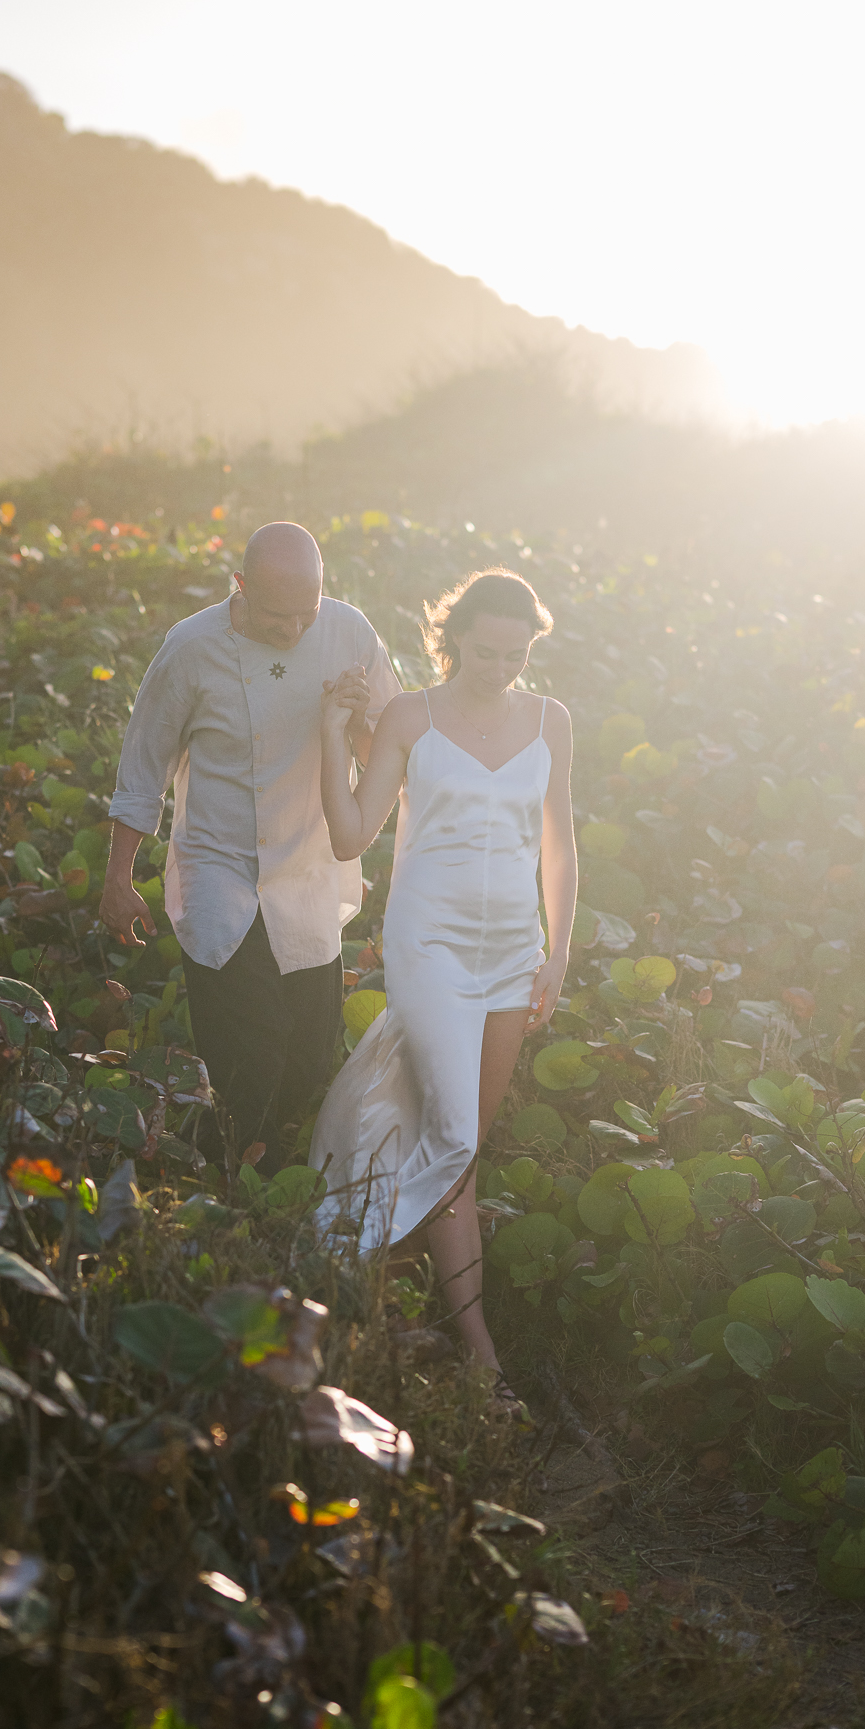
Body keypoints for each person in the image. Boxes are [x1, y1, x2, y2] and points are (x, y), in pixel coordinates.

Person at [309, 567, 576, 1412]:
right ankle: (476, 1353)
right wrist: (328, 733)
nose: (502, 666)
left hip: (513, 954)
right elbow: (352, 835)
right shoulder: (411, 716)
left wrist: (558, 953)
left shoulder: (550, 721)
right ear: (454, 637)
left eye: (519, 653)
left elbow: (559, 847)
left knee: (461, 1153)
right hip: (428, 945)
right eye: (488, 650)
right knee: (455, 1138)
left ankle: (401, 1317)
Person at [102, 521, 400, 1171]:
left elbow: (390, 751)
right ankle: (232, 1186)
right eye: (274, 614)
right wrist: (118, 879)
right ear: (239, 586)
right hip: (220, 872)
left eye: (306, 613)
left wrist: (354, 729)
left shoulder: (350, 633)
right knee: (252, 1054)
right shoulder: (190, 648)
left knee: (309, 1056)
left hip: (307, 871)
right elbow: (142, 770)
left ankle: (225, 1160)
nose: (293, 630)